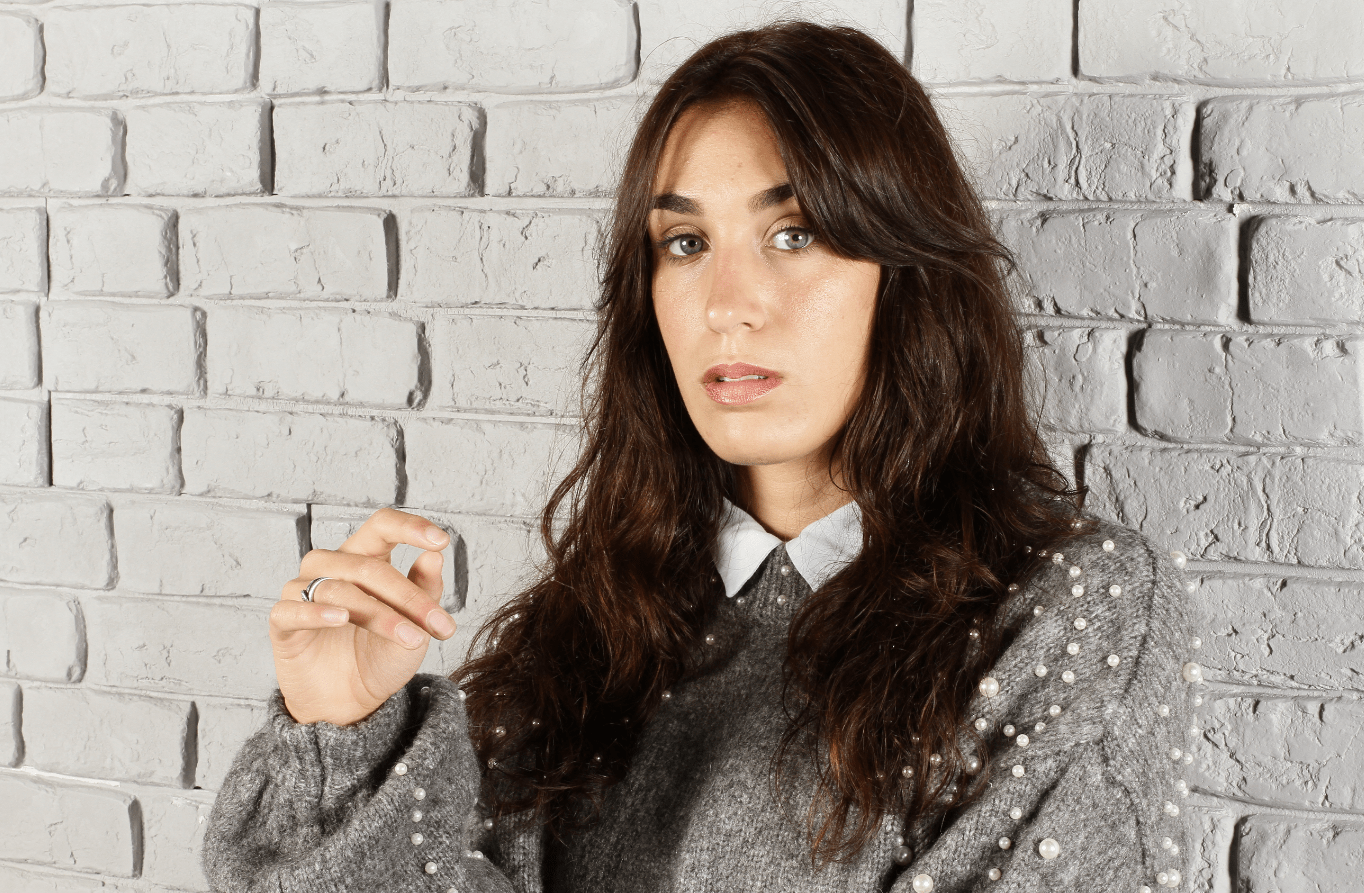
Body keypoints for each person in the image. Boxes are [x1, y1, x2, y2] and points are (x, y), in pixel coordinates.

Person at [203, 20, 1205, 893]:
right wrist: (346, 732)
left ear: (903, 273)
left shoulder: (1061, 610)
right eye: (685, 243)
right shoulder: (587, 627)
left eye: (794, 232)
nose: (728, 303)